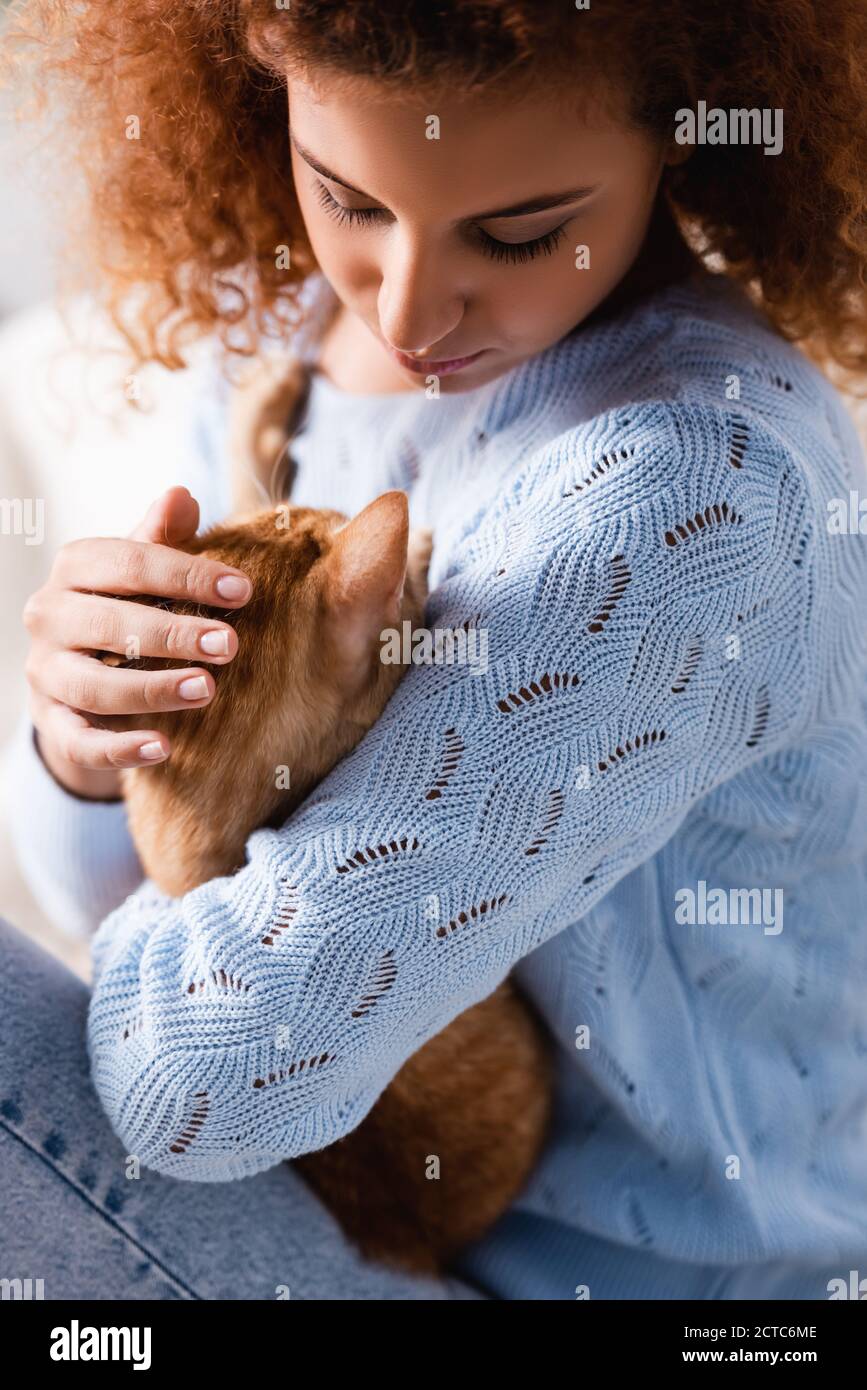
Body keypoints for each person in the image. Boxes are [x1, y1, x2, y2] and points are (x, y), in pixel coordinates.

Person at [3, 0, 867, 1300]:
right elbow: (106, 904)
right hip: (334, 1203)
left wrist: (199, 826)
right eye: (346, 196)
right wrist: (87, 741)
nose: (410, 308)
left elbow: (192, 1073)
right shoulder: (290, 344)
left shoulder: (694, 487)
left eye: (522, 231)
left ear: (684, 133)